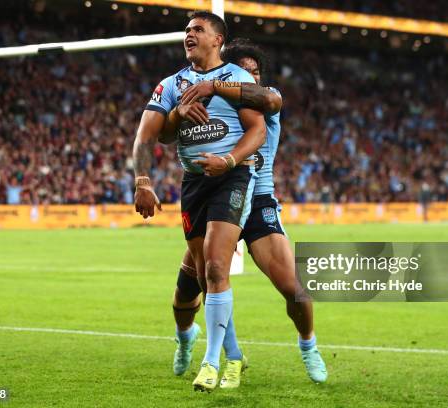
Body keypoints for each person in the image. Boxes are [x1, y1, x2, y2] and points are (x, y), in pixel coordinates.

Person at [164, 38, 328, 386]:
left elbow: (272, 98)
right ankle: (186, 339)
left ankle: (308, 344)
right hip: (214, 197)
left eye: (255, 73)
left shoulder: (260, 99)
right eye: (244, 72)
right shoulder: (211, 102)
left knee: (292, 287)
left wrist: (221, 85)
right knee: (188, 292)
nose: (250, 78)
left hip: (258, 199)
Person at [132, 12, 266, 392]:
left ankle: (210, 363)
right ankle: (234, 355)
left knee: (217, 261)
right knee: (209, 274)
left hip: (232, 176)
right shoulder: (171, 84)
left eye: (198, 30)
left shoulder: (237, 79)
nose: (189, 35)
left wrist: (228, 160)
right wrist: (143, 180)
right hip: (194, 183)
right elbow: (149, 137)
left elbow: (257, 130)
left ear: (217, 40)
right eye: (187, 30)